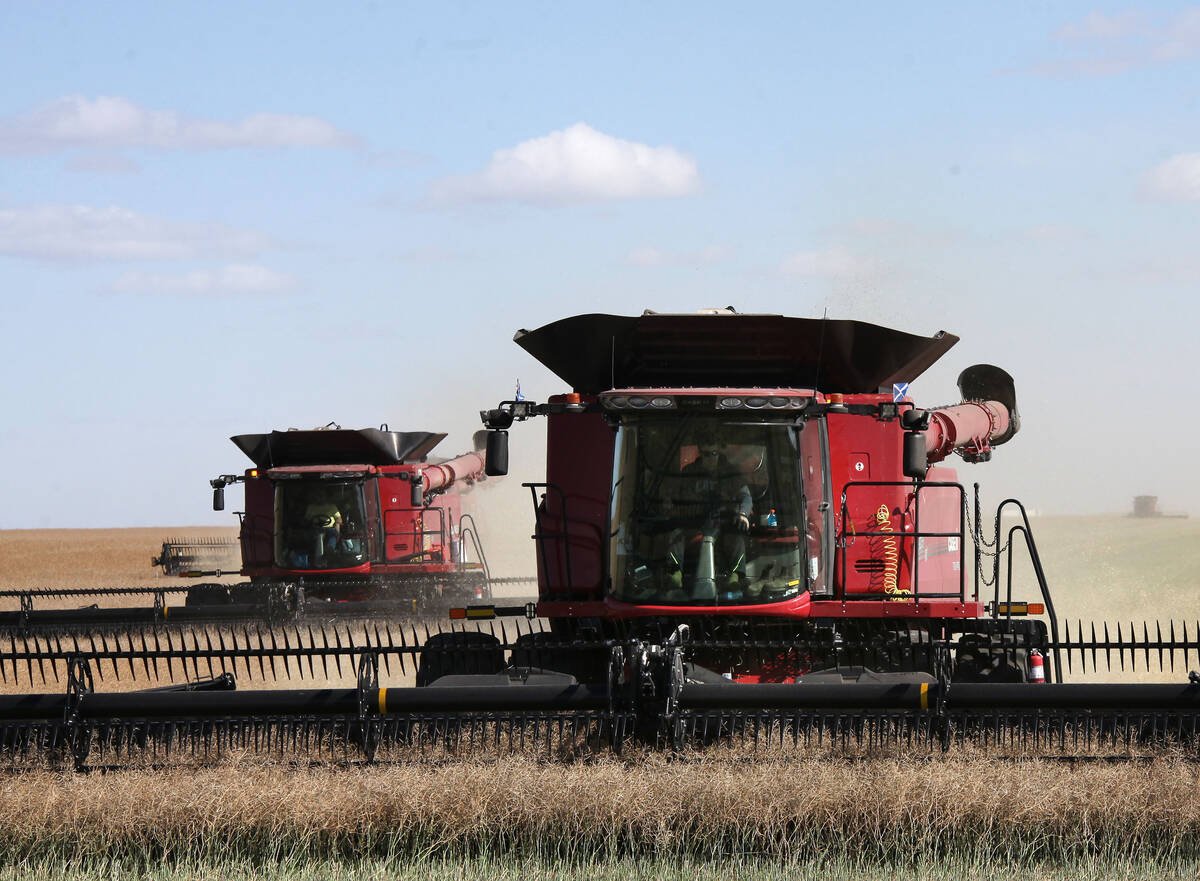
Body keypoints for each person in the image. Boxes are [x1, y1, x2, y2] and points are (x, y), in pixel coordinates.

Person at [667, 430, 753, 597]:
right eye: (706, 454)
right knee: (675, 534)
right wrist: (670, 504)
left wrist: (742, 514)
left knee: (736, 538)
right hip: (694, 523)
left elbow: (746, 496)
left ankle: (735, 577)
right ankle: (675, 574)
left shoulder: (731, 472)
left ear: (719, 451)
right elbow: (674, 497)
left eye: (713, 453)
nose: (710, 458)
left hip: (722, 523)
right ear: (700, 452)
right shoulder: (689, 472)